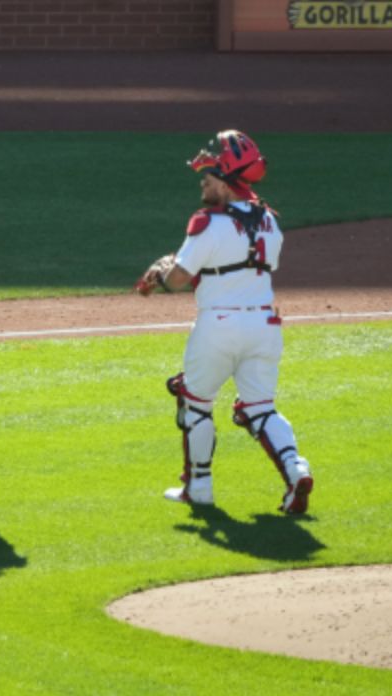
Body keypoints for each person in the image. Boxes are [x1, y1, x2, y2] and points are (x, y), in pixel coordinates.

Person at [136, 129, 313, 514]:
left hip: (218, 326)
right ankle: (296, 468)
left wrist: (163, 270)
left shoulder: (207, 222)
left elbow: (179, 280)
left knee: (195, 403)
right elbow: (250, 266)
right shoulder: (271, 222)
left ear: (228, 182)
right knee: (261, 409)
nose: (203, 181)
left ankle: (198, 487)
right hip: (265, 326)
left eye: (211, 175)